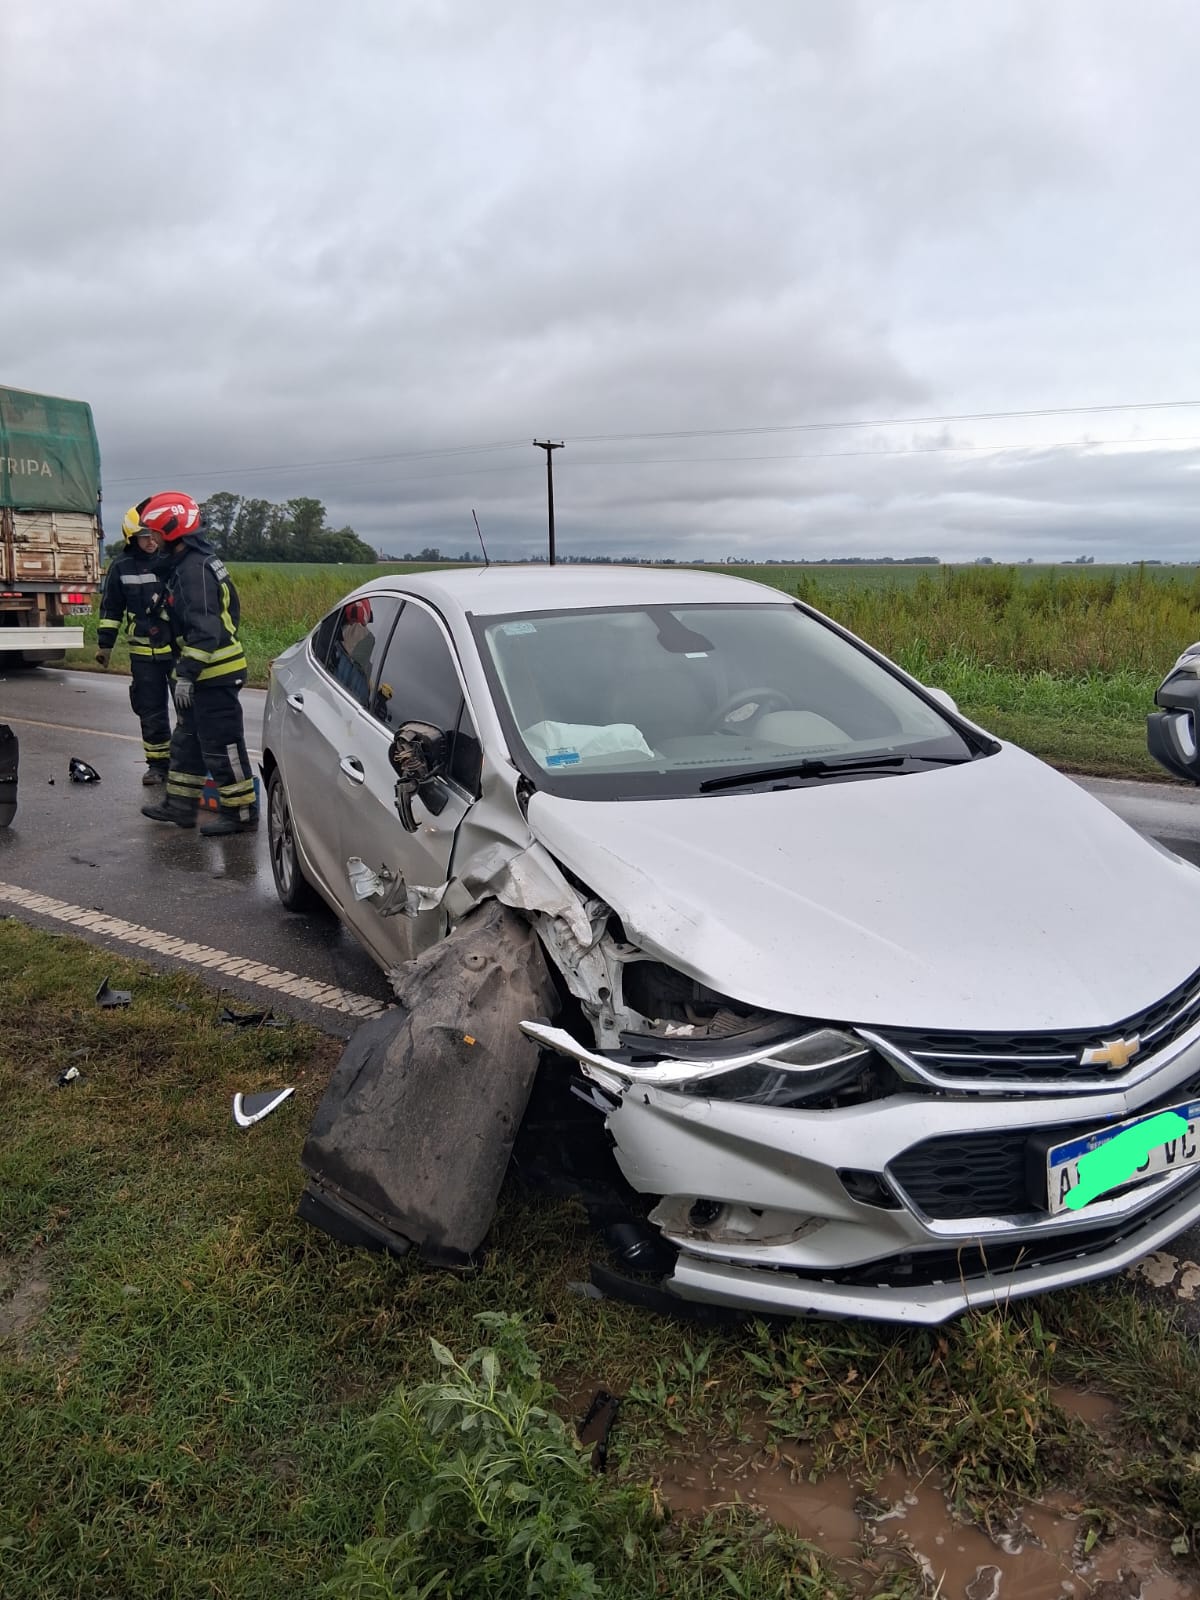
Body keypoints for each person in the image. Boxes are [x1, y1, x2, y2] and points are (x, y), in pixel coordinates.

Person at [137, 491, 258, 837]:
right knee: (187, 741)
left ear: (172, 531)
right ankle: (181, 806)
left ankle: (241, 814)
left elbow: (206, 630)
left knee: (224, 745)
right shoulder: (189, 563)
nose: (152, 540)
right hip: (200, 674)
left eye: (155, 533)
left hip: (213, 674)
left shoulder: (193, 570)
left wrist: (187, 674)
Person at [95, 506, 176, 784]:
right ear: (132, 539)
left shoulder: (172, 562)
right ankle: (158, 766)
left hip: (176, 652)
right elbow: (111, 610)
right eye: (144, 537)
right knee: (151, 711)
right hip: (142, 654)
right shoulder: (121, 567)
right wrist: (105, 646)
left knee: (189, 711)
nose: (151, 541)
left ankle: (187, 766)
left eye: (153, 535)